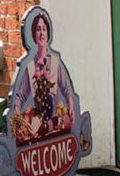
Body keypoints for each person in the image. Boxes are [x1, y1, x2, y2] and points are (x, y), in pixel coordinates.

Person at [10, 12, 76, 145]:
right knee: (34, 130)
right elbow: (20, 96)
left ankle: (50, 125)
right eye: (38, 29)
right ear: (33, 35)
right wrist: (18, 118)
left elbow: (67, 88)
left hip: (55, 115)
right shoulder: (29, 66)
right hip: (38, 119)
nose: (41, 33)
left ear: (48, 33)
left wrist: (71, 107)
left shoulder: (56, 62)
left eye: (44, 29)